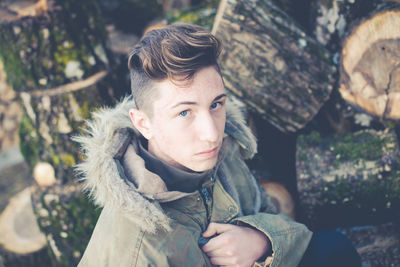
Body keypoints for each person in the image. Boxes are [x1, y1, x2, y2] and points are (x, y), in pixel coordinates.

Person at [75, 23, 360, 267]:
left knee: (335, 249)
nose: (211, 133)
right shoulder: (139, 249)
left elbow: (273, 215)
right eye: (184, 112)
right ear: (143, 124)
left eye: (215, 104)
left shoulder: (221, 153)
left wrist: (260, 239)